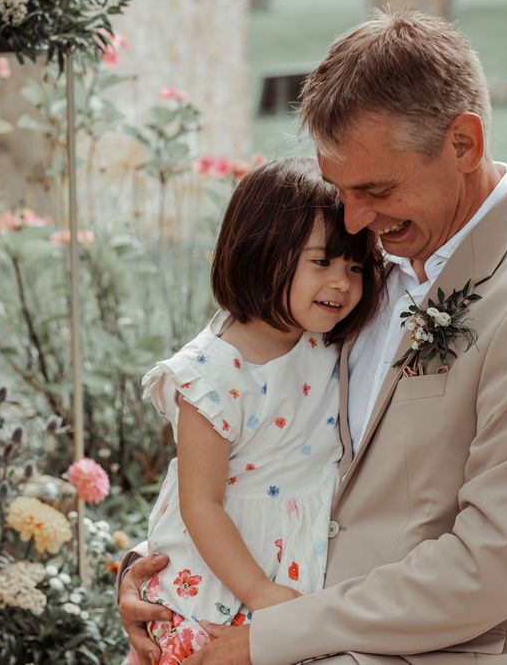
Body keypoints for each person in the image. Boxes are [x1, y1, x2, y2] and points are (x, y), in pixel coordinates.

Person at [119, 11, 507, 665]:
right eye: (340, 190)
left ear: (464, 145)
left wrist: (268, 639)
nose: (354, 218)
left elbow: (490, 567)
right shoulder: (358, 271)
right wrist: (162, 570)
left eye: (375, 189)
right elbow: (266, 441)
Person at [122, 157, 385, 663]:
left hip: (294, 564)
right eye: (322, 262)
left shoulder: (322, 340)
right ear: (262, 253)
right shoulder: (212, 375)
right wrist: (259, 591)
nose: (342, 284)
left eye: (354, 267)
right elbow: (201, 503)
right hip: (222, 583)